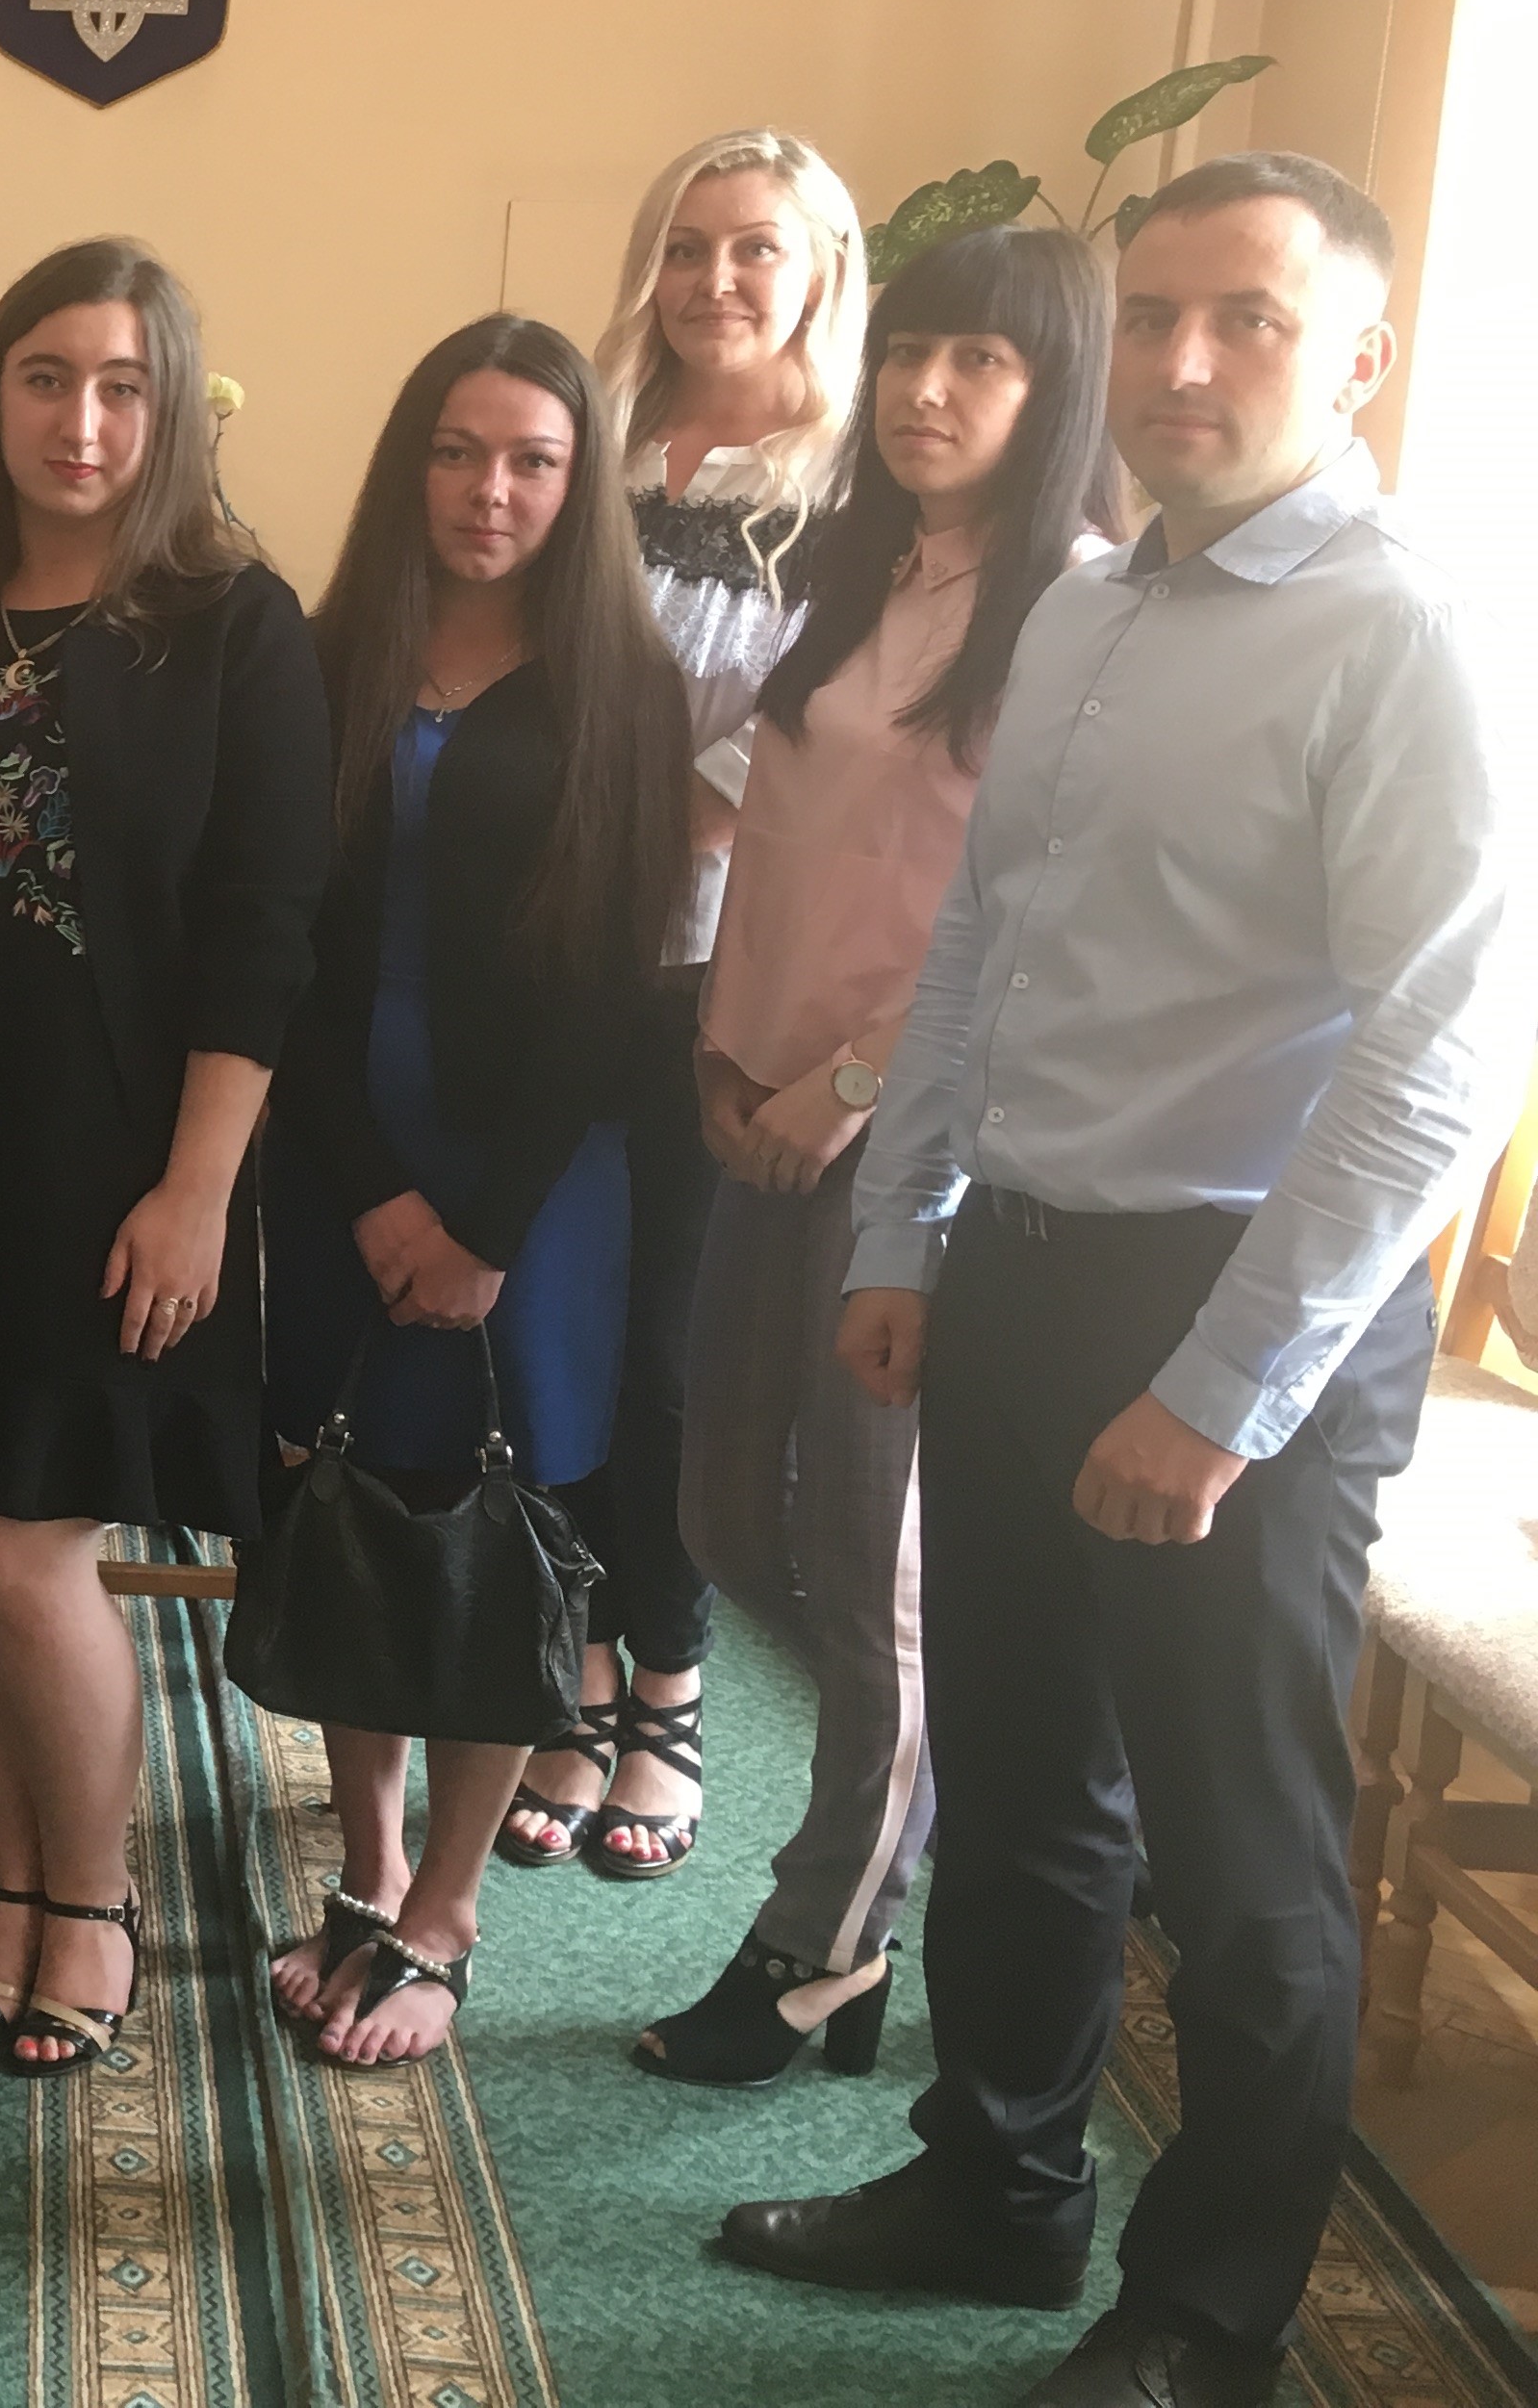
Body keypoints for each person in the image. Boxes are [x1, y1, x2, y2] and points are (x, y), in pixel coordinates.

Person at [723, 153, 1519, 2408]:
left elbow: (1440, 1056)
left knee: (1239, 1850)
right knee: (1020, 1773)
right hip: (1020, 1268)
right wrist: (908, 1232)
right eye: (1153, 314)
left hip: (1244, 1304)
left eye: (1247, 318)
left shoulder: (1404, 632)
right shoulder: (1086, 608)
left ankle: (1212, 2315)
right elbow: (982, 947)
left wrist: (1223, 1391)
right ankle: (997, 2183)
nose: (1182, 361)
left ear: (1355, 356)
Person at [0, 240, 328, 2076]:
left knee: (29, 1541)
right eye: (47, 378)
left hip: (107, 1159)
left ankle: (97, 1900)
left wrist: (198, 1192)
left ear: (173, 409)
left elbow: (264, 929)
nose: (83, 420)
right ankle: (12, 1880)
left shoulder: (235, 627)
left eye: (124, 385)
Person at [633, 224, 1123, 2088]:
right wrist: (723, 1057)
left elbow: (1019, 921)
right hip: (754, 1098)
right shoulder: (863, 571)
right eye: (910, 350)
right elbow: (773, 840)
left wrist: (840, 1088)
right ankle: (895, 1828)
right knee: (721, 1517)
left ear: (1052, 389)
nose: (927, 391)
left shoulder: (1075, 610)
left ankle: (826, 1934)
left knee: (867, 1560)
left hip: (907, 1146)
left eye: (980, 360)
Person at [259, 314, 688, 2065]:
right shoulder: (323, 654)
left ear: (580, 485)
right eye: (456, 451)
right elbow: (281, 945)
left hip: (536, 1186)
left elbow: (607, 993)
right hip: (338, 1160)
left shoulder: (625, 689)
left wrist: (486, 1228)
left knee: (502, 1529)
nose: (488, 491)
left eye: (532, 460)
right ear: (408, 465)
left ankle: (446, 1907)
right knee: (348, 1497)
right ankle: (367, 1870)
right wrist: (370, 1193)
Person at [500, 130, 867, 1883]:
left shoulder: (857, 478)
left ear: (822, 271)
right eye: (689, 245)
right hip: (555, 948)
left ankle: (667, 1686)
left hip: (718, 967)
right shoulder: (599, 436)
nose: (717, 280)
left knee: (671, 1351)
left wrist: (659, 825)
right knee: (550, 1323)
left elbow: (812, 730)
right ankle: (571, 1672)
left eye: (756, 249)